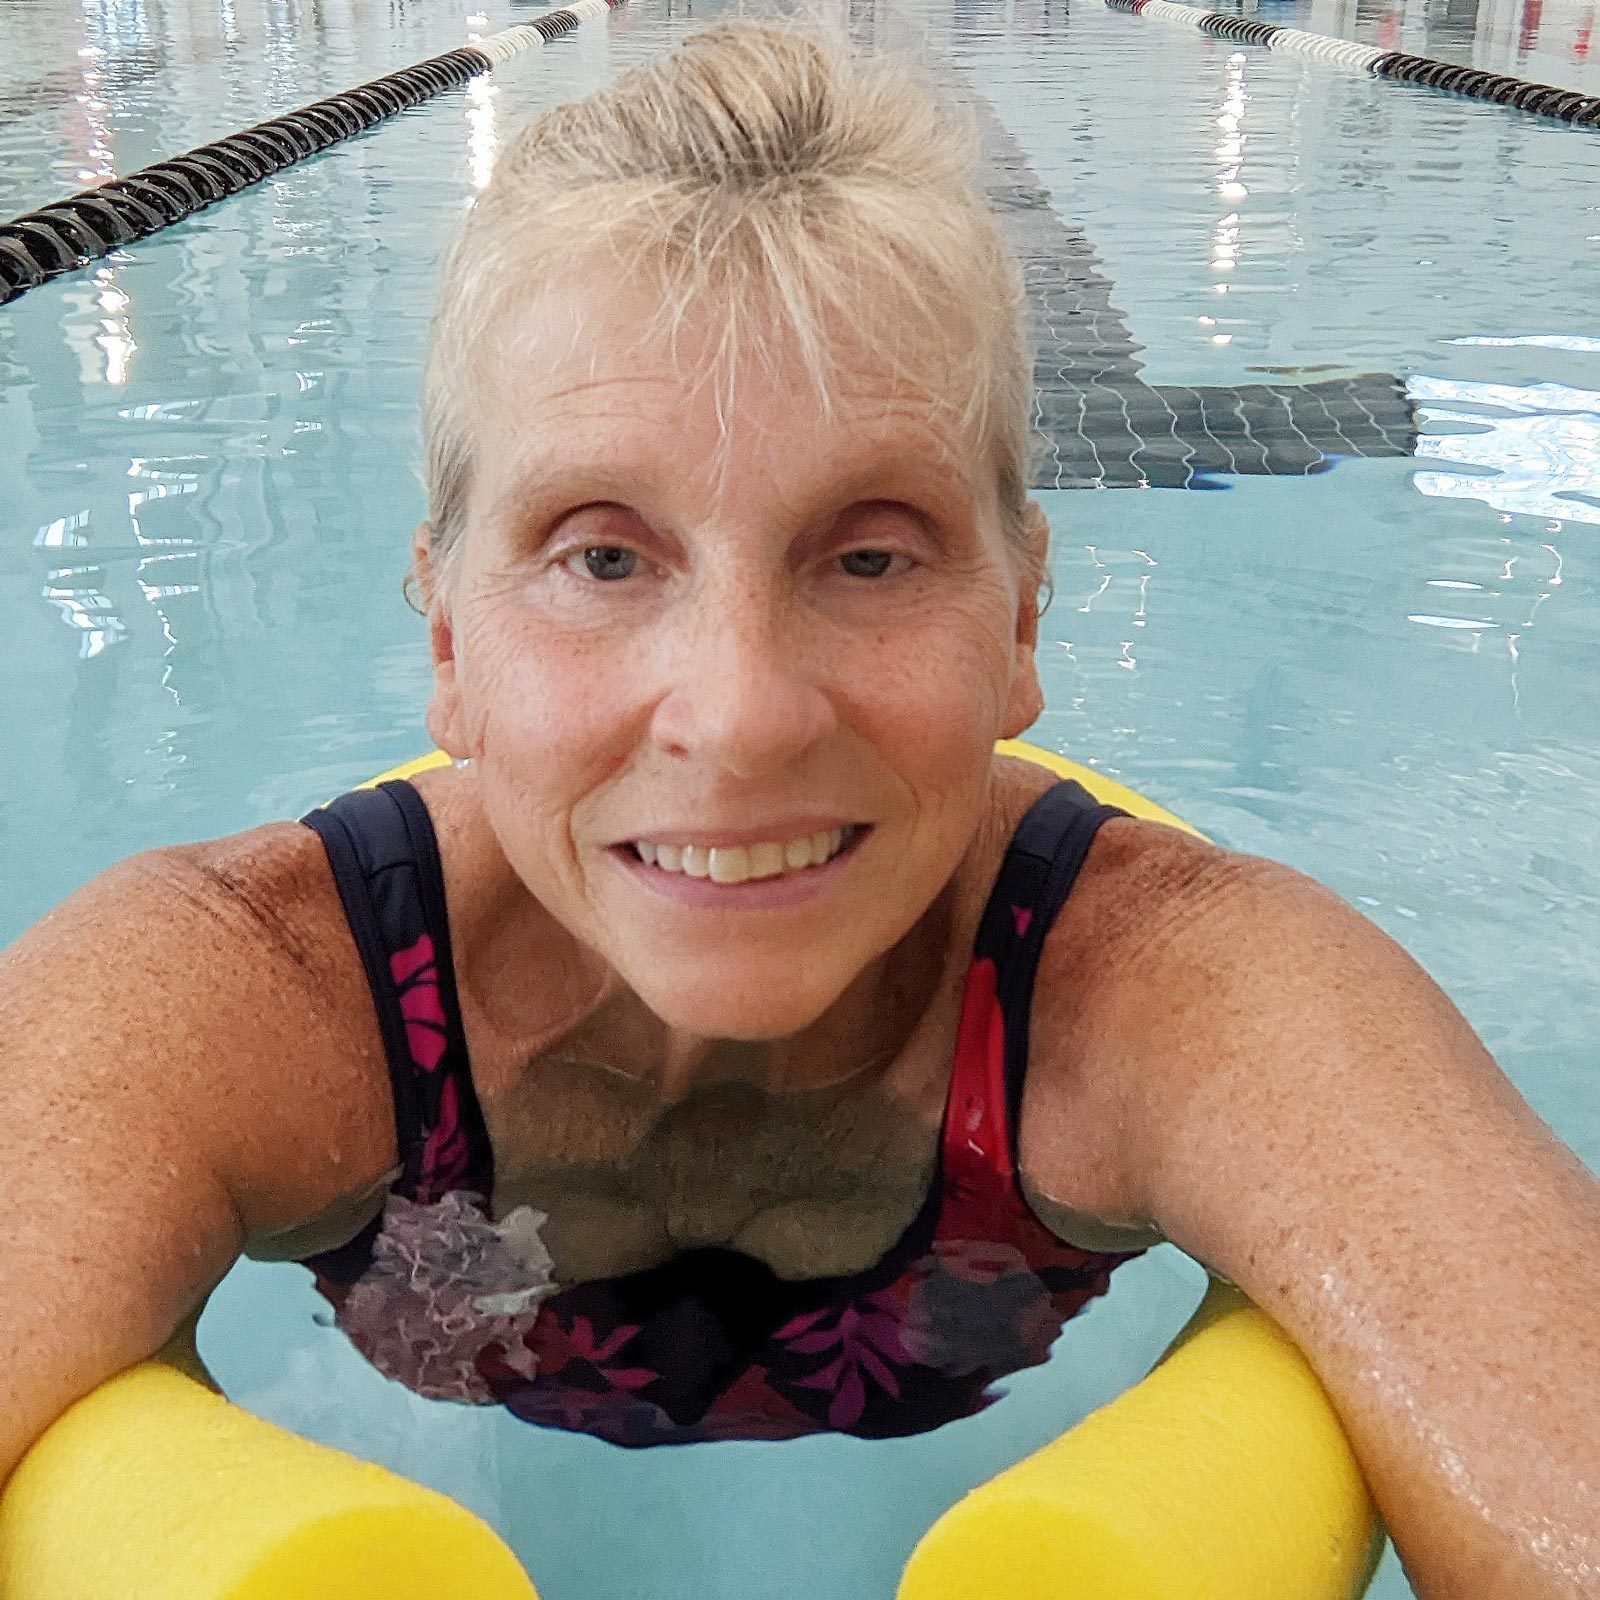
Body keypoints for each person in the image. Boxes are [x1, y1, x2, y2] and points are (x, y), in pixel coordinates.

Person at [2, 19, 1596, 1597]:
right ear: (445, 641)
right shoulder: (243, 997)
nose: (744, 714)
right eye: (602, 555)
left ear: (1024, 622)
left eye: (872, 551)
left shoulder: (1169, 989)